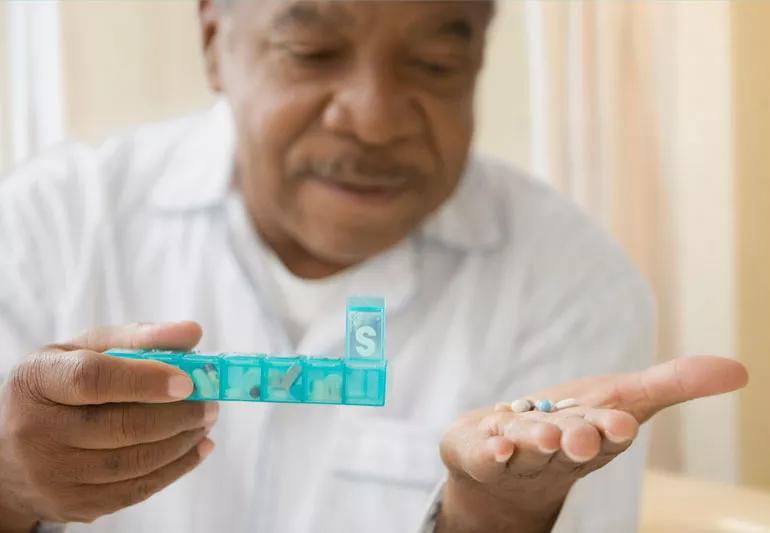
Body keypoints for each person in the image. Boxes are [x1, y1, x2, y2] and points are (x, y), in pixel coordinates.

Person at [0, 1, 747, 532]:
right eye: (313, 51)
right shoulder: (44, 227)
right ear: (213, 40)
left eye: (436, 62)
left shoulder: (573, 284)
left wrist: (496, 517)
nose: (375, 115)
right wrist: (9, 485)